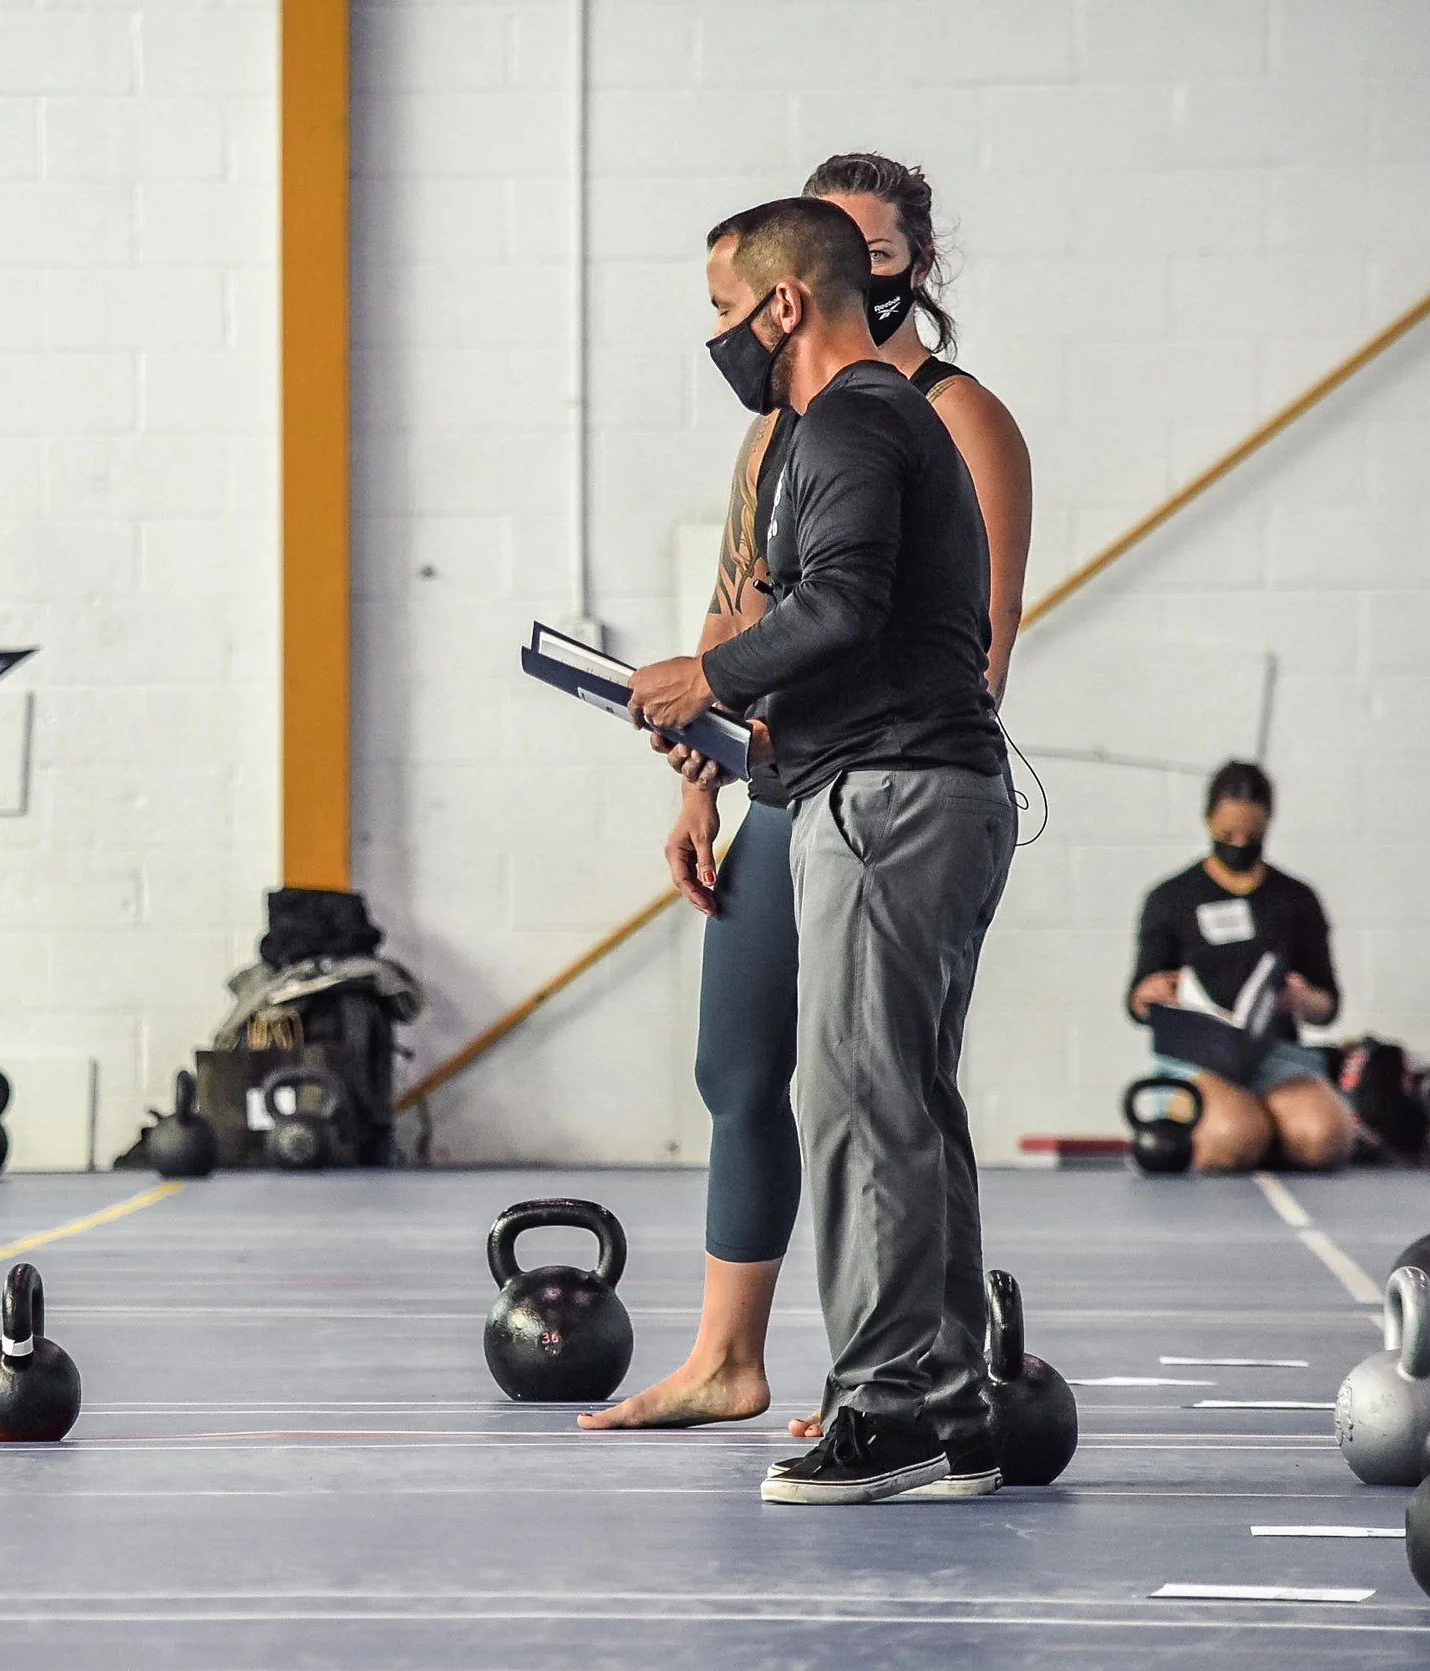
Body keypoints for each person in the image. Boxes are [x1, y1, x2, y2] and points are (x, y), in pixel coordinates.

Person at [583, 155, 1031, 1441]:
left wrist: (853, 744)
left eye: (874, 251)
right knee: (761, 1070)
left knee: (872, 1092)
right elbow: (743, 612)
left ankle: (901, 1396)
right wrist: (708, 769)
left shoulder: (919, 413)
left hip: (881, 770)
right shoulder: (795, 426)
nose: (724, 331)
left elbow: (946, 631)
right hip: (796, 767)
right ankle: (749, 1361)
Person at [1128, 761, 1353, 1171]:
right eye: (1228, 834)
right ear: (1208, 820)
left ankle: (1274, 1126)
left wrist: (1302, 1000)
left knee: (1324, 1138)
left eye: (1252, 835)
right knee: (1233, 1138)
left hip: (1275, 1053)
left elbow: (1328, 1003)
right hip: (1200, 1059)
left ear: (1267, 824)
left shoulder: (1296, 899)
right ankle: (1249, 1127)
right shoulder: (1171, 898)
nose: (1240, 843)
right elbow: (1139, 999)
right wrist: (1150, 993)